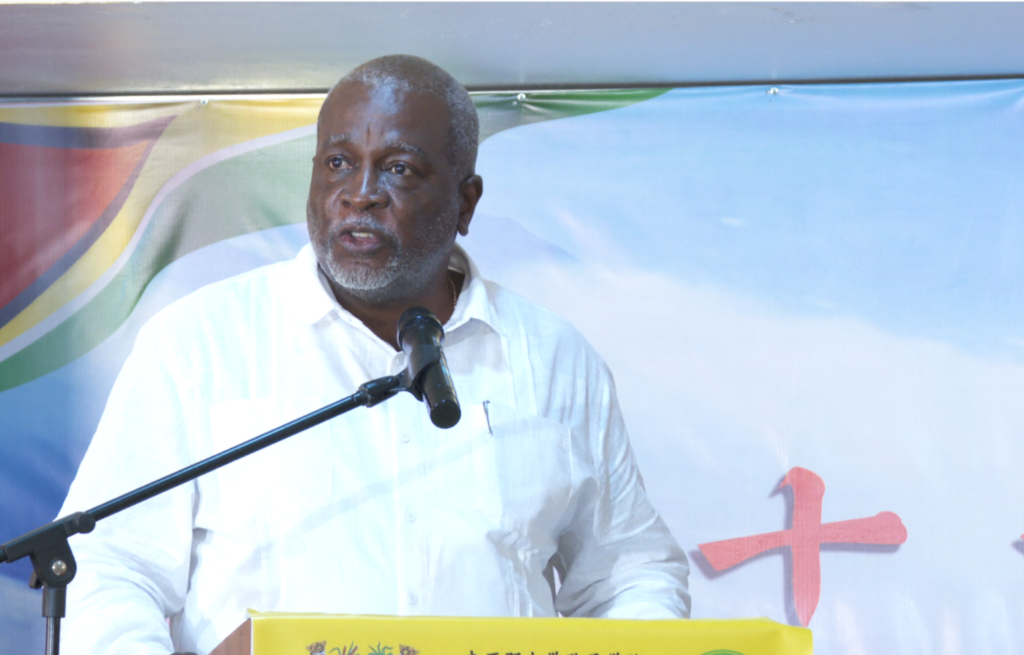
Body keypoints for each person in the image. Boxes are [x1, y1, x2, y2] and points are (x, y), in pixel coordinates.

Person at [58, 55, 690, 655]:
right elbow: (109, 568)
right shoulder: (200, 342)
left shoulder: (554, 360)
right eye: (338, 163)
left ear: (466, 202)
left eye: (400, 169)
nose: (360, 194)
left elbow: (629, 576)